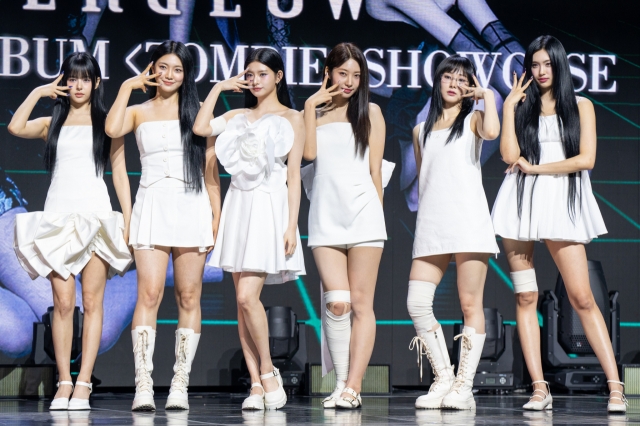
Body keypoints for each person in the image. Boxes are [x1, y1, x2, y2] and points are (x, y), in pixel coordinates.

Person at [491, 35, 626, 413]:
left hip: (560, 203)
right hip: (519, 205)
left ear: (560, 65)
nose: (540, 71)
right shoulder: (523, 109)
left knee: (582, 297)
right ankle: (539, 389)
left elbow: (586, 160)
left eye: (547, 64)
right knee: (525, 296)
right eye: (534, 65)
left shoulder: (581, 106)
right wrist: (508, 110)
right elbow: (508, 155)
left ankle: (616, 387)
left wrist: (537, 169)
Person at [9, 52, 133, 411]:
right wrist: (38, 91)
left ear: (95, 83)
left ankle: (83, 384)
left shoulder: (107, 124)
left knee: (93, 304)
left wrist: (127, 218)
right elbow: (16, 127)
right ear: (64, 81)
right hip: (58, 220)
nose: (78, 85)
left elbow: (121, 174)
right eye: (71, 78)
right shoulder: (53, 122)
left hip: (95, 219)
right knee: (63, 304)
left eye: (85, 78)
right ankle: (63, 381)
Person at [105, 40, 221, 411]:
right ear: (151, 69)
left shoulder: (199, 112)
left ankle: (180, 383)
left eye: (177, 69)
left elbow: (211, 169)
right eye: (162, 67)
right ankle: (143, 384)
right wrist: (126, 86)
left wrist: (217, 214)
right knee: (149, 295)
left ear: (186, 74)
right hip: (151, 205)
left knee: (189, 297)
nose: (169, 75)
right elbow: (111, 130)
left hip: (192, 204)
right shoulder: (138, 111)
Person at [193, 48, 305, 411]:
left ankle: (269, 372)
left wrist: (291, 225)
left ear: (279, 76)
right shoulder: (239, 114)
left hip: (270, 207)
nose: (255, 80)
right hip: (238, 205)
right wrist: (219, 88)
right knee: (241, 304)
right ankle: (256, 384)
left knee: (246, 297)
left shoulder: (293, 118)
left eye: (262, 73)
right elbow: (200, 127)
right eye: (250, 74)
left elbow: (293, 178)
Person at [407, 54, 500, 410]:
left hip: (468, 221)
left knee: (469, 303)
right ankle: (444, 377)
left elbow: (492, 132)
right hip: (432, 224)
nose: (453, 83)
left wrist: (487, 96)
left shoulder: (475, 120)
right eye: (448, 76)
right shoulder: (421, 130)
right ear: (438, 80)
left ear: (469, 87)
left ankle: (464, 385)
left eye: (462, 79)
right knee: (416, 303)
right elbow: (425, 178)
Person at [301, 42, 387, 409]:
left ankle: (352, 387)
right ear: (328, 73)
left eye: (356, 75)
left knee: (362, 304)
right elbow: (307, 156)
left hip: (365, 215)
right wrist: (309, 106)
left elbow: (376, 171)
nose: (349, 81)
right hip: (325, 215)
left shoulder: (372, 112)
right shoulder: (314, 116)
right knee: (337, 303)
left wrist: (377, 214)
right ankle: (339, 383)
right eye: (342, 73)